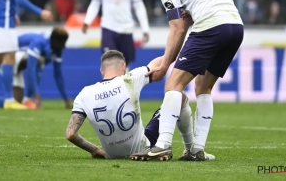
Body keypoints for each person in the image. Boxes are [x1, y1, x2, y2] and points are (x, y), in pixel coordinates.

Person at [130, 0, 244, 161]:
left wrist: (165, 65)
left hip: (211, 26)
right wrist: (190, 16)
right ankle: (196, 150)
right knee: (203, 87)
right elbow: (195, 10)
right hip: (235, 27)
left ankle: (162, 145)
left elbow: (177, 28)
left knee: (173, 85)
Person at [65, 50, 196, 160]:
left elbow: (70, 134)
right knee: (180, 97)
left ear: (101, 71)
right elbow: (160, 64)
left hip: (112, 155)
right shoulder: (130, 79)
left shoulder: (84, 94)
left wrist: (94, 150)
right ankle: (190, 150)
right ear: (124, 66)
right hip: (143, 148)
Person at [10, 27, 70, 110]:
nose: (64, 46)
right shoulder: (39, 42)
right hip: (9, 56)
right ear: (55, 41)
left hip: (17, 64)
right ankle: (28, 98)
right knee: (39, 61)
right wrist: (36, 94)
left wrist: (65, 98)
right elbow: (31, 70)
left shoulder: (57, 49)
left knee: (17, 102)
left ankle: (26, 99)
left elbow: (58, 75)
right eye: (62, 43)